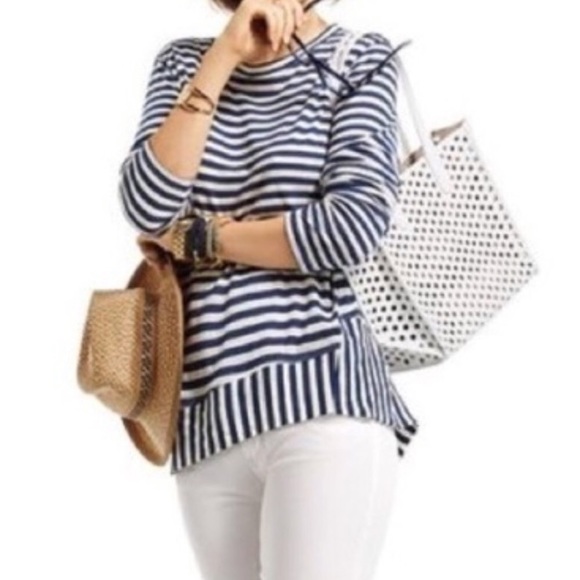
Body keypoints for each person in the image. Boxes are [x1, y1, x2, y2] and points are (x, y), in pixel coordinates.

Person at [118, 0, 419, 577]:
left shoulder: (357, 58)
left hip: (323, 400)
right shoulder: (182, 63)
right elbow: (147, 205)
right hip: (207, 416)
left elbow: (348, 227)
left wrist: (201, 236)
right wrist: (224, 54)